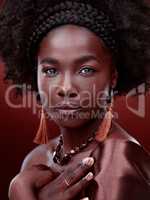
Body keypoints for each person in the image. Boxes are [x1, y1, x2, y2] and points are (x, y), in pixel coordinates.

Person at [0, 0, 150, 199]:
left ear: (113, 76)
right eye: (51, 70)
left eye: (86, 70)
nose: (66, 88)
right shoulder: (36, 158)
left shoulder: (118, 162)